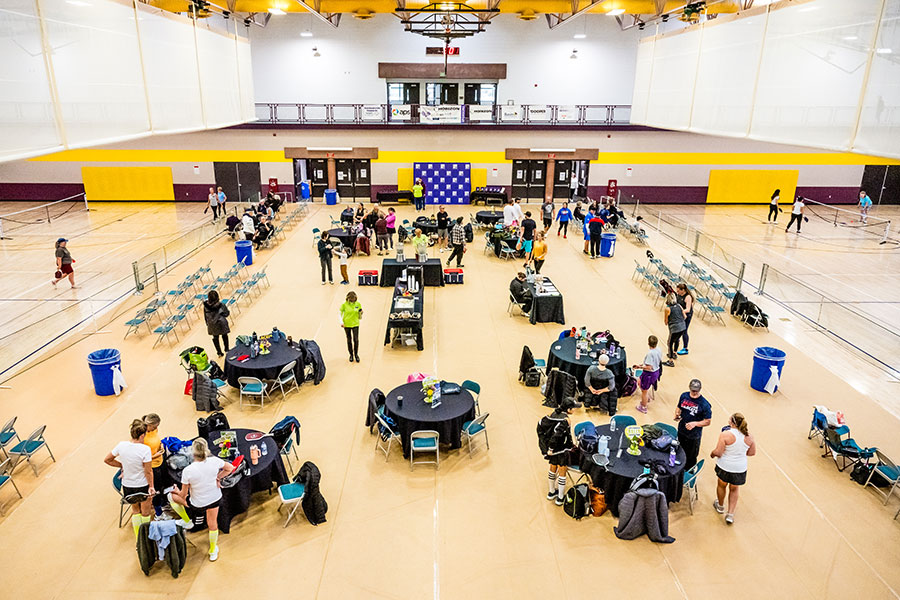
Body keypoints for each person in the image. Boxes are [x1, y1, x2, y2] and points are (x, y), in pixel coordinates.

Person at [169, 439, 234, 561]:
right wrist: (218, 478)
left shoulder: (188, 470)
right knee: (212, 523)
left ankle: (187, 521)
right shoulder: (215, 461)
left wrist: (176, 491)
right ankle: (213, 550)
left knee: (171, 497)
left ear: (193, 453)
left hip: (197, 504)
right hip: (215, 499)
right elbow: (230, 467)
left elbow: (183, 495)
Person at [104, 419, 154, 538]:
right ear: (142, 435)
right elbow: (148, 471)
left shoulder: (121, 445)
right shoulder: (145, 450)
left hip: (128, 486)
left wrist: (121, 465)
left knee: (135, 511)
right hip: (142, 485)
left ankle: (138, 539)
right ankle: (146, 539)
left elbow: (107, 459)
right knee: (146, 513)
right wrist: (151, 486)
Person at [711, 413, 756, 525]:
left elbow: (719, 452)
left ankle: (720, 506)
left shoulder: (725, 435)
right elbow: (752, 452)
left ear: (731, 423)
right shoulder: (749, 436)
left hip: (725, 466)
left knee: (722, 485)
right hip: (739, 468)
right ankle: (730, 514)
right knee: (734, 489)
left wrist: (712, 454)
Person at [537, 397, 579, 506]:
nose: (575, 410)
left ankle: (551, 492)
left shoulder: (553, 414)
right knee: (562, 473)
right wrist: (551, 448)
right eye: (574, 408)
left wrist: (548, 449)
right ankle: (560, 498)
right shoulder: (565, 421)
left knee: (552, 468)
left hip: (553, 452)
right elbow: (556, 436)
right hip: (561, 450)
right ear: (569, 409)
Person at [674, 379, 711, 471]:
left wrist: (695, 423)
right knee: (680, 451)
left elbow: (707, 421)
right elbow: (679, 407)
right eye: (693, 390)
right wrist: (677, 414)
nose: (694, 393)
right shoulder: (684, 396)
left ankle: (689, 474)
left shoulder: (704, 404)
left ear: (700, 390)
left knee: (691, 457)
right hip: (682, 430)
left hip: (693, 436)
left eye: (696, 391)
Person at [142, 413, 165, 512]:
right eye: (155, 426)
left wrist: (161, 446)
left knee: (162, 483)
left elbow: (157, 440)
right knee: (156, 488)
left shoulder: (154, 430)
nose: (156, 428)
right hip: (152, 466)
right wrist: (154, 456)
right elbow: (141, 457)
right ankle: (158, 509)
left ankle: (163, 502)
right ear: (149, 425)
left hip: (160, 461)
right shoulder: (142, 437)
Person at [636, 335, 662, 414]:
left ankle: (643, 406)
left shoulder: (650, 354)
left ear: (648, 343)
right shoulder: (659, 350)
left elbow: (649, 367)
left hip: (649, 374)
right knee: (641, 384)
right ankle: (646, 398)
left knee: (644, 390)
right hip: (656, 371)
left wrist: (640, 367)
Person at [203, 290, 230, 357]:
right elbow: (226, 314)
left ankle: (219, 352)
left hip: (212, 324)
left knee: (215, 337)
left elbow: (205, 316)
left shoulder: (205, 307)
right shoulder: (221, 305)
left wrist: (208, 323)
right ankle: (226, 349)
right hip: (221, 323)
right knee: (224, 336)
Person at [340, 291, 363, 363]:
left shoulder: (358, 304)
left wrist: (361, 313)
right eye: (351, 299)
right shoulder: (344, 304)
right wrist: (341, 322)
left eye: (354, 299)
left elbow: (360, 316)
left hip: (355, 324)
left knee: (356, 340)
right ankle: (351, 355)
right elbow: (340, 313)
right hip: (347, 324)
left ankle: (356, 354)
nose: (353, 300)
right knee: (349, 340)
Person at [663, 293, 686, 366]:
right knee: (677, 340)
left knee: (669, 343)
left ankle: (670, 361)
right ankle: (674, 353)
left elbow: (666, 322)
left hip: (674, 328)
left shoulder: (667, 309)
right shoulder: (679, 306)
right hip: (682, 327)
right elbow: (684, 316)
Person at [675, 283, 694, 356]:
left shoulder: (688, 297)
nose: (677, 292)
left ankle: (685, 348)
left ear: (683, 290)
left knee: (684, 331)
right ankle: (677, 340)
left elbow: (688, 309)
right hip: (681, 314)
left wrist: (680, 311)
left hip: (687, 315)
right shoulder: (679, 295)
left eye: (678, 291)